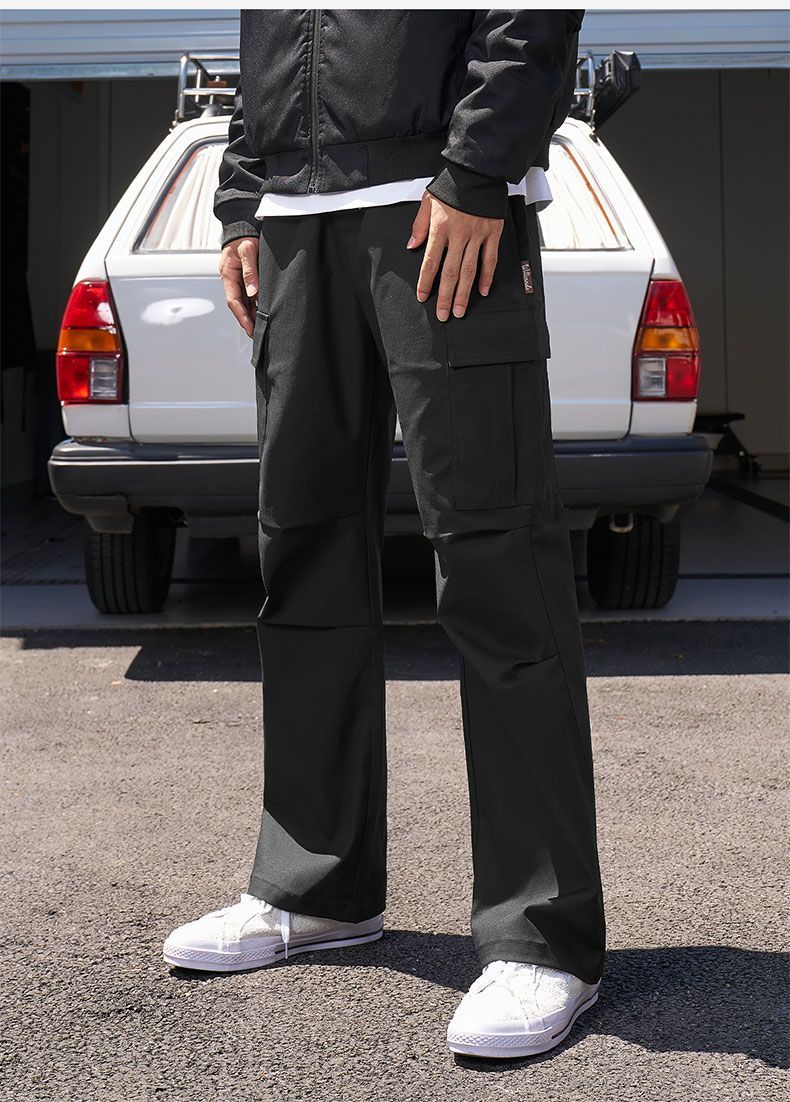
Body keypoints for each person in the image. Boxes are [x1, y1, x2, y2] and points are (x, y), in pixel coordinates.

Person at [164, 9, 606, 1060]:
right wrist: (243, 200)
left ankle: (542, 935)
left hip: (439, 207)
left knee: (495, 560)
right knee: (302, 555)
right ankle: (314, 885)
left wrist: (478, 170)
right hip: (294, 222)